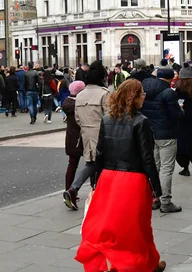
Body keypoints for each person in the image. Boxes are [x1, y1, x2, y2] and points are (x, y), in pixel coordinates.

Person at [75, 79, 166, 272]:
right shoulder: (141, 122)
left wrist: (96, 182)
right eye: (142, 94)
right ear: (134, 98)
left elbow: (99, 153)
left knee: (109, 226)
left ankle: (141, 262)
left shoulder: (107, 119)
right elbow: (147, 158)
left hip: (108, 177)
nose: (144, 97)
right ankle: (132, 263)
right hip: (133, 179)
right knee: (136, 226)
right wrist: (157, 189)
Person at [63, 60, 110, 210]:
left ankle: (73, 189)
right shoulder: (105, 94)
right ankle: (99, 195)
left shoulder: (81, 96)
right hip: (102, 135)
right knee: (104, 166)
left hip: (86, 135)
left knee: (91, 164)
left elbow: (77, 117)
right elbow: (110, 118)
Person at [142, 67, 183, 213]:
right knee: (166, 168)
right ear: (171, 78)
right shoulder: (168, 93)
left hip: (151, 133)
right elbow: (175, 114)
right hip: (166, 134)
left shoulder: (145, 89)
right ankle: (166, 201)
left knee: (155, 166)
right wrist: (181, 109)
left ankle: (154, 197)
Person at [63, 80, 85, 191]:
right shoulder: (81, 104)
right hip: (83, 136)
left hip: (72, 137)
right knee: (91, 164)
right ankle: (93, 188)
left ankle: (68, 189)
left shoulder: (67, 103)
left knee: (72, 164)